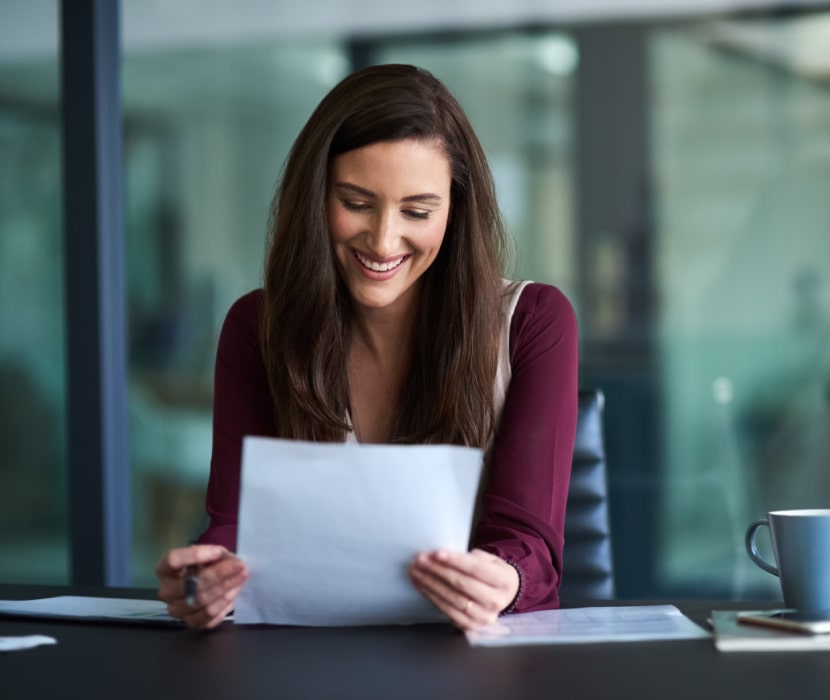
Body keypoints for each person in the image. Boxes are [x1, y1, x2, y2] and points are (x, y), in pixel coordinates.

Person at [154, 64, 579, 632]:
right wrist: (207, 577)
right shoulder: (257, 327)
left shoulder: (533, 322)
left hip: (472, 659)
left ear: (454, 212)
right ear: (315, 195)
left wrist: (505, 578)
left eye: (417, 212)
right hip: (305, 659)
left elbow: (528, 544)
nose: (382, 241)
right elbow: (236, 526)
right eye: (355, 202)